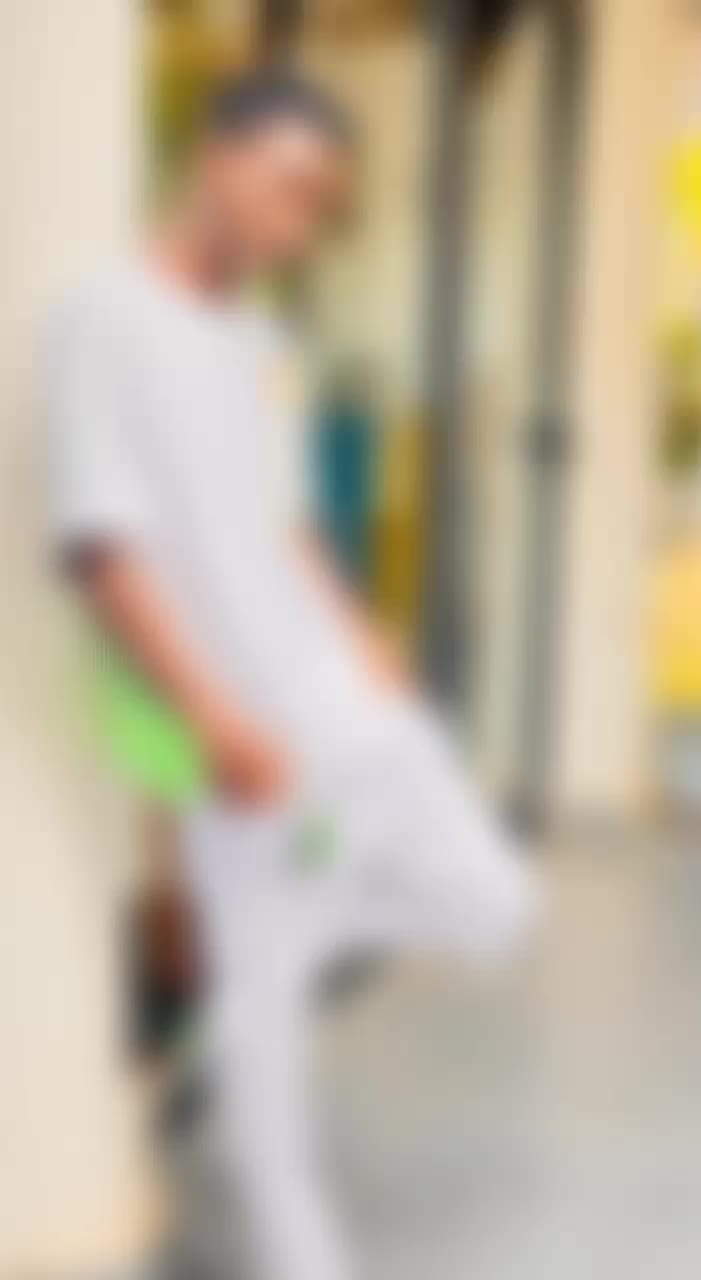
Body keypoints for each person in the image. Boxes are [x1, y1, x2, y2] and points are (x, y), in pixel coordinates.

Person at [43, 67, 539, 1280]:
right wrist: (213, 720)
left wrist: (363, 637)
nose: (300, 222)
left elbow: (287, 520)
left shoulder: (267, 341)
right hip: (239, 721)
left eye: (321, 203)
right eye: (289, 186)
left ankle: (276, 945)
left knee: (496, 901)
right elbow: (102, 546)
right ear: (216, 156)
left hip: (331, 687)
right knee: (264, 1040)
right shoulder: (104, 318)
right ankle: (297, 1250)